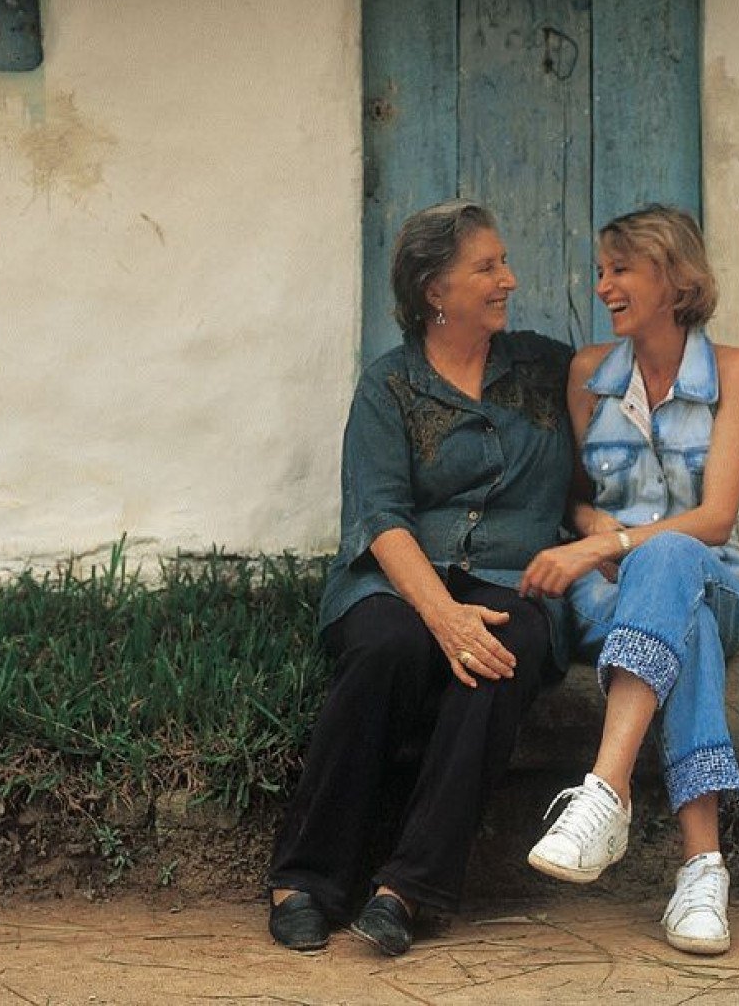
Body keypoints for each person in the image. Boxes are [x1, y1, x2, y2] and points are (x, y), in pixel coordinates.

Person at [267, 200, 574, 956]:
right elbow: (381, 516)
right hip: (396, 578)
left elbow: (641, 364)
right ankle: (305, 876)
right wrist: (441, 614)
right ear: (436, 288)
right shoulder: (388, 386)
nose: (508, 279)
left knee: (499, 655)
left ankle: (406, 889)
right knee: (388, 647)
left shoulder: (547, 368)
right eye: (487, 267)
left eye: (503, 262)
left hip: (513, 577)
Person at [519, 204, 739, 956]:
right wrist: (594, 526)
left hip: (718, 582)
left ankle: (605, 791)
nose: (603, 286)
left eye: (621, 269)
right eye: (601, 270)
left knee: (672, 559)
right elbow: (574, 496)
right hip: (612, 598)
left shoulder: (734, 371)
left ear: (675, 278)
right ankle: (703, 870)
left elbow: (715, 519)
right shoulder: (589, 375)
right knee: (683, 622)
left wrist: (608, 543)